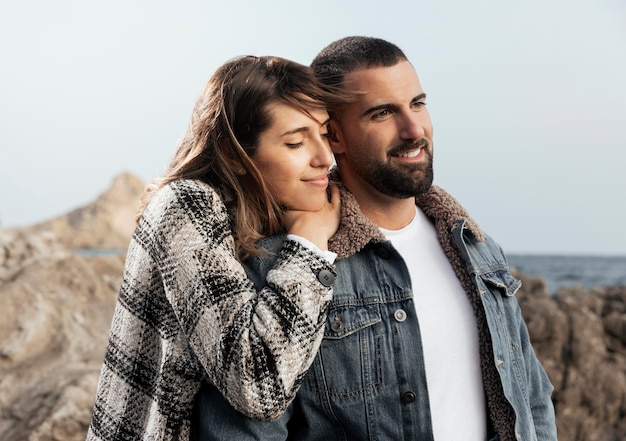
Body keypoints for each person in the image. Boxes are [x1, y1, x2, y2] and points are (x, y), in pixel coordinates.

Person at [196, 37, 558, 441]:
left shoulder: (474, 245)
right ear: (333, 136)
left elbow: (531, 399)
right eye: (383, 113)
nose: (413, 129)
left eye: (418, 104)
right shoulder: (284, 266)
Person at [85, 55, 352, 441]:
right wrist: (309, 243)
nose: (324, 158)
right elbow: (257, 386)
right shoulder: (185, 204)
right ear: (232, 154)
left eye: (325, 133)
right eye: (295, 141)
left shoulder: (270, 207)